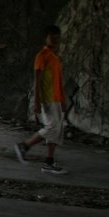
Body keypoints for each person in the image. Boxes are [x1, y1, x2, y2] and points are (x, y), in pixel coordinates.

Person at [15, 25, 68, 174]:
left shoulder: (55, 58)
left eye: (57, 37)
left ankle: (49, 161)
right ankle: (24, 146)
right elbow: (37, 81)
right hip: (47, 98)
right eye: (52, 37)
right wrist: (37, 101)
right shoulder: (42, 56)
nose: (55, 40)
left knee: (57, 130)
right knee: (52, 127)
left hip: (56, 98)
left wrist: (63, 100)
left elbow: (58, 81)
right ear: (45, 38)